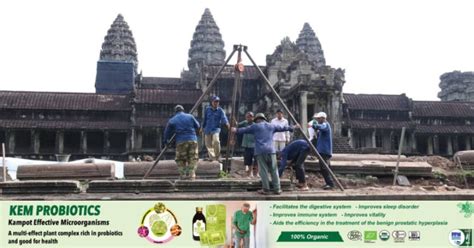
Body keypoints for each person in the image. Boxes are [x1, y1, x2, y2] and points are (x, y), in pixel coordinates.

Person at [232, 113, 297, 195]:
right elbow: (283, 128)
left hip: (260, 151)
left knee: (263, 171)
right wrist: (293, 127)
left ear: (257, 120)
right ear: (264, 119)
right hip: (271, 151)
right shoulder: (271, 126)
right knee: (274, 170)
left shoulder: (255, 126)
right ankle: (277, 189)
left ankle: (266, 189)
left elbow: (244, 130)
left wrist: (235, 130)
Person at [164, 105, 200, 179]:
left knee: (180, 159)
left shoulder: (172, 120)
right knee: (193, 158)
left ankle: (183, 175)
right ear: (183, 110)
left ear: (175, 112)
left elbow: (166, 133)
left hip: (181, 141)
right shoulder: (190, 116)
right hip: (192, 140)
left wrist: (166, 142)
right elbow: (198, 125)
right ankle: (191, 175)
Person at [202, 96, 229, 162]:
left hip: (216, 129)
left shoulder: (220, 110)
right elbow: (204, 119)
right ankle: (212, 157)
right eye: (215, 101)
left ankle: (217, 156)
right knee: (208, 145)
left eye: (217, 102)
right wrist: (202, 127)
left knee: (216, 141)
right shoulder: (207, 109)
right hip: (207, 129)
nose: (216, 103)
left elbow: (224, 118)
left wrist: (227, 124)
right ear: (212, 102)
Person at [312, 112, 334, 189]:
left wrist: (314, 125)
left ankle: (330, 183)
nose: (317, 120)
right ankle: (329, 182)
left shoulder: (325, 124)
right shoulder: (323, 126)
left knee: (324, 168)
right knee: (325, 167)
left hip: (325, 150)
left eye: (318, 118)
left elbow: (321, 127)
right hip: (323, 150)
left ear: (323, 118)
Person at [238, 112, 258, 178]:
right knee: (248, 160)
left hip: (254, 144)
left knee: (256, 160)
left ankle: (256, 173)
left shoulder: (255, 125)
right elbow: (237, 125)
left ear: (253, 117)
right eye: (248, 117)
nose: (249, 118)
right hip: (246, 144)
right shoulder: (245, 123)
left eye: (250, 116)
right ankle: (250, 173)